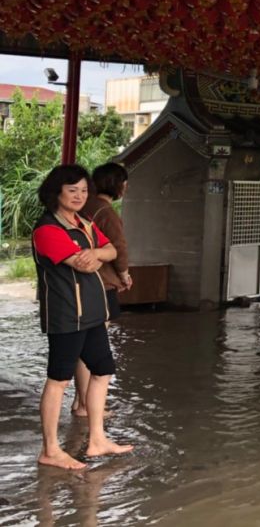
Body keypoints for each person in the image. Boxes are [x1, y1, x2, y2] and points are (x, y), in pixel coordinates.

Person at [31, 164, 134, 470]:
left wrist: (97, 252)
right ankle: (50, 449)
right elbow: (85, 264)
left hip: (91, 312)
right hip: (65, 314)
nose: (79, 196)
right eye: (72, 190)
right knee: (58, 380)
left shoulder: (85, 222)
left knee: (103, 369)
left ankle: (98, 439)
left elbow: (111, 251)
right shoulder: (47, 229)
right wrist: (96, 253)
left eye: (83, 190)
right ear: (56, 193)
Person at [73, 162, 132, 419]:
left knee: (82, 344)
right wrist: (125, 274)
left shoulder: (81, 207)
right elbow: (118, 247)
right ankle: (88, 405)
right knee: (95, 345)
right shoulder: (106, 212)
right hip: (101, 282)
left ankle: (80, 401)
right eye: (125, 184)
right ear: (117, 185)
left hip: (80, 283)